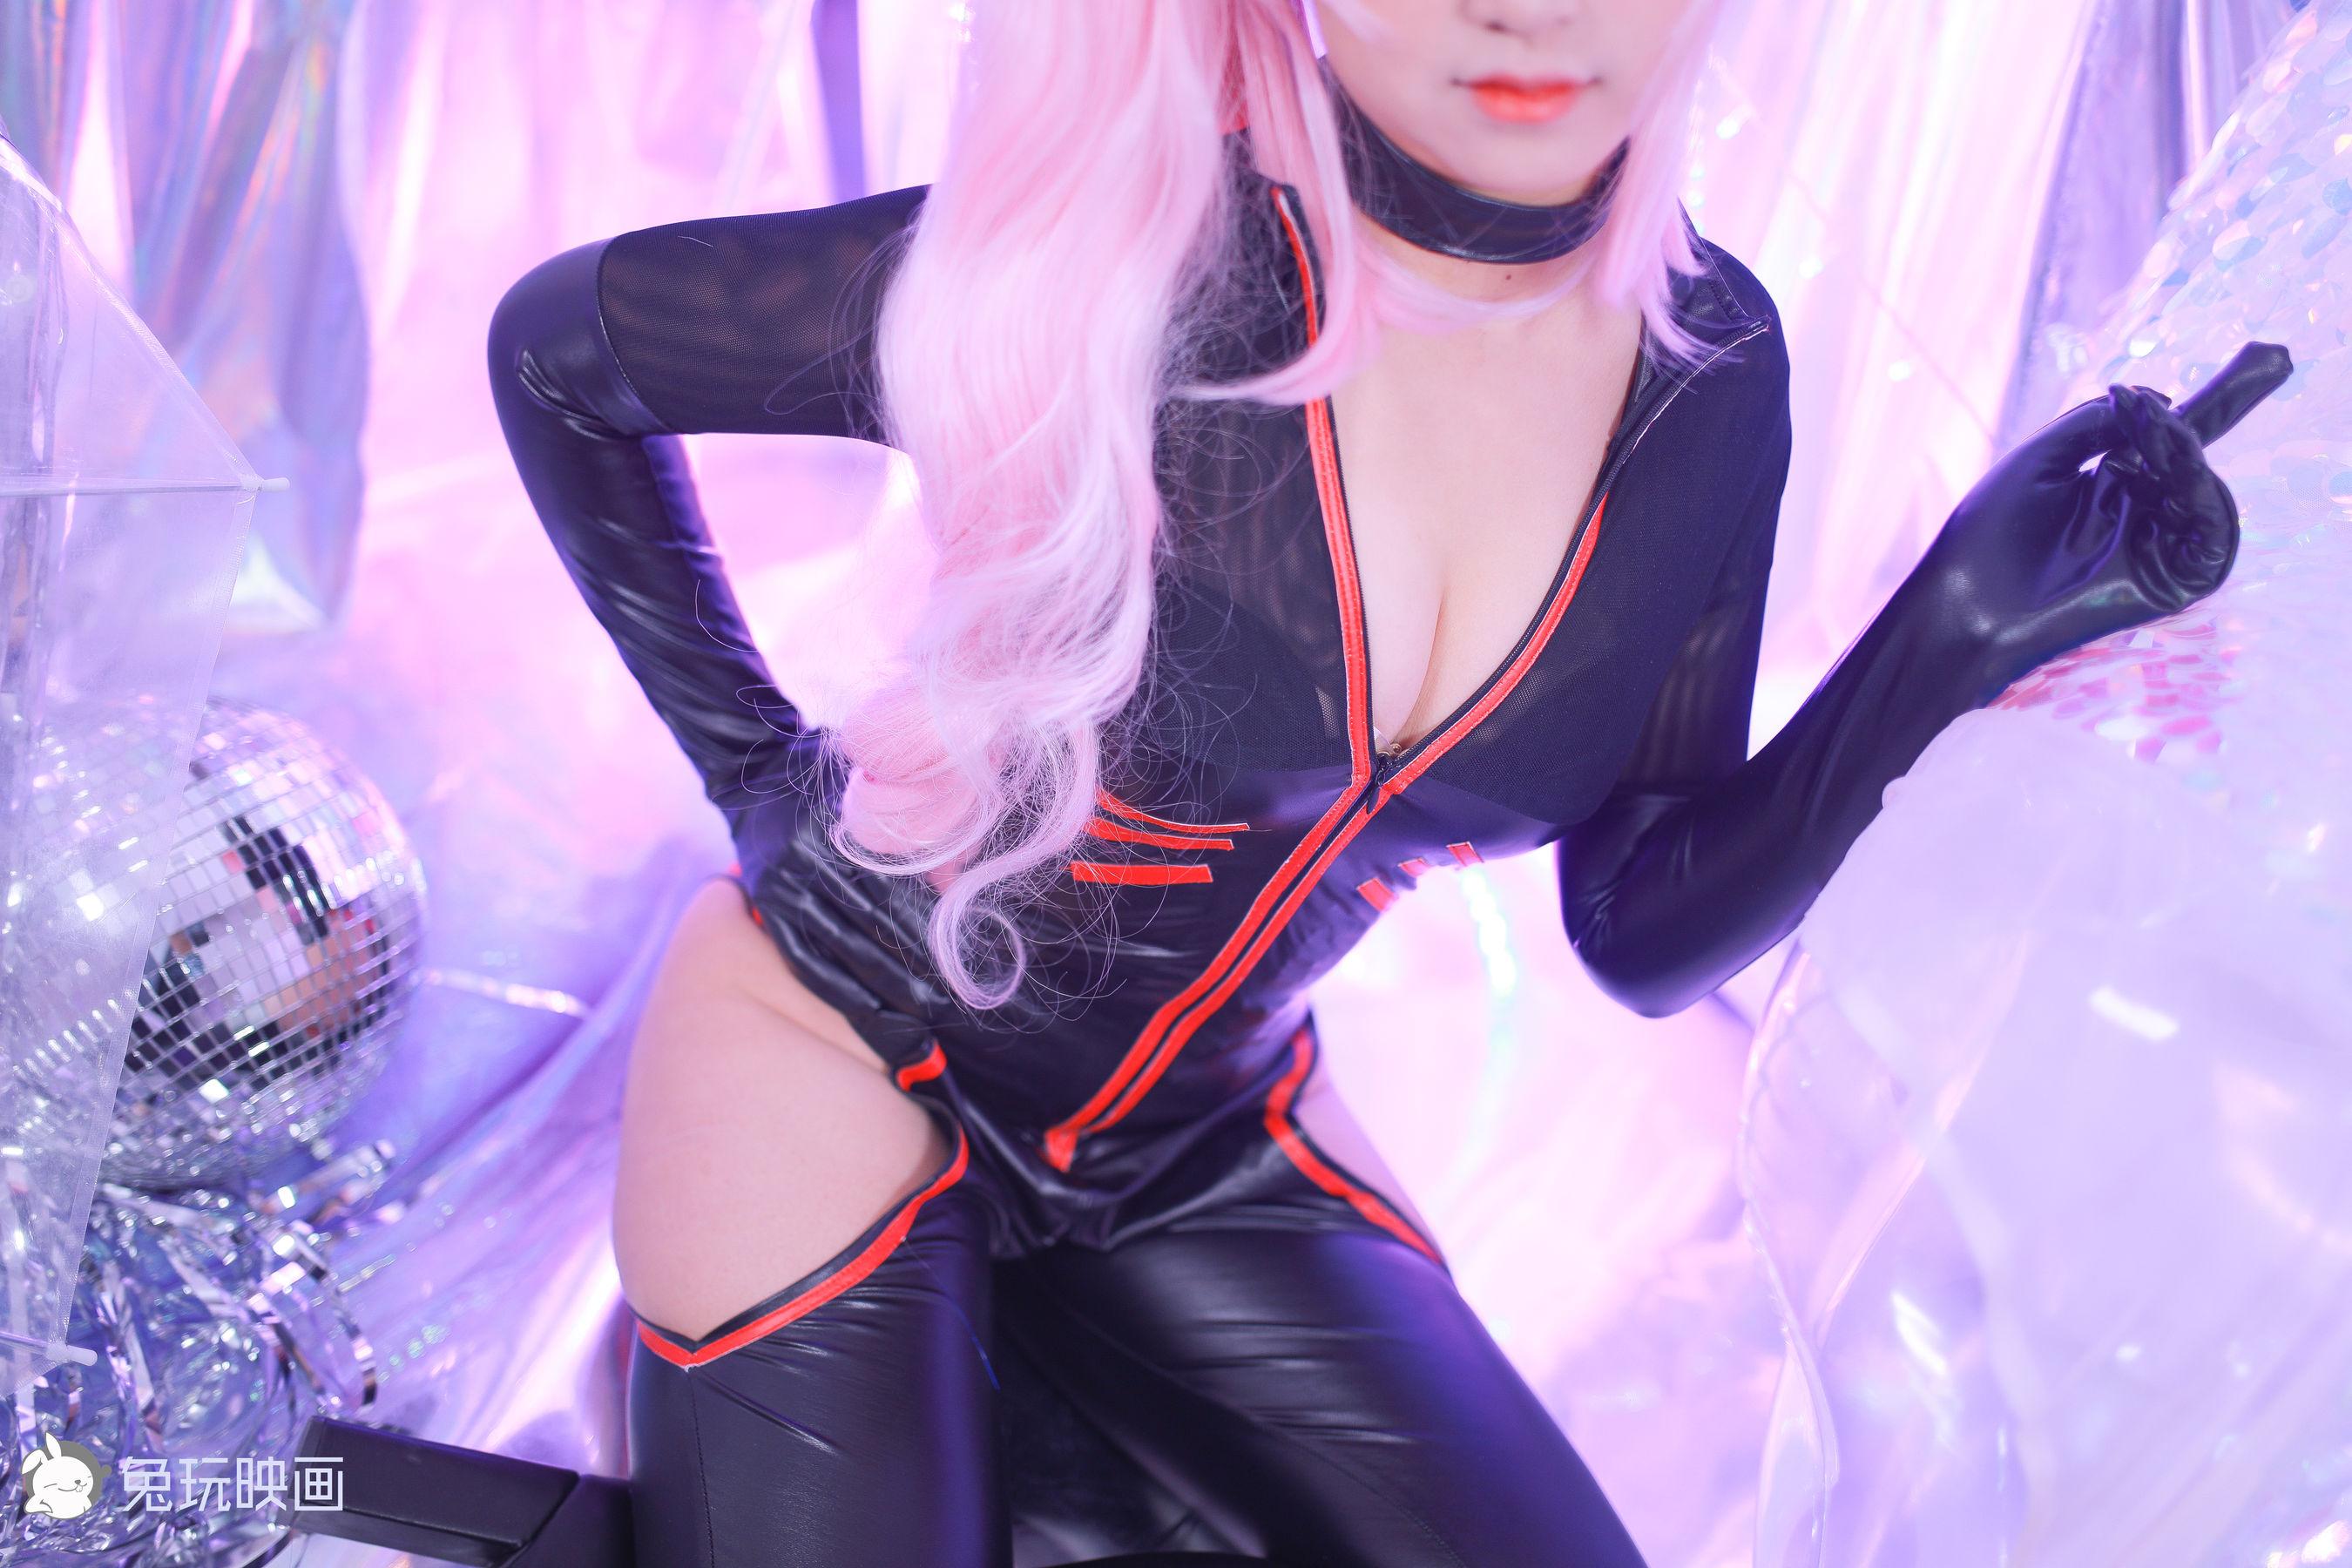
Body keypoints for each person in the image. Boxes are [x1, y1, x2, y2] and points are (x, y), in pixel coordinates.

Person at [486, 2, 2275, 1563]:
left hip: (1201, 1140)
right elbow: (561, 356)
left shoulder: (1708, 379)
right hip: (838, 1043)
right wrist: (748, 761)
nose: (1529, 15)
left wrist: (1956, 626)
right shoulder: (1120, 274)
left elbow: (1641, 921)